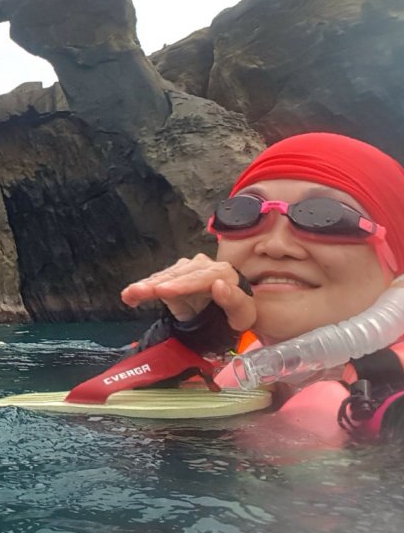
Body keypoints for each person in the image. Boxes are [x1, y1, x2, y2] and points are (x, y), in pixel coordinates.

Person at [119, 132, 404, 443]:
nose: (275, 245)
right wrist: (185, 340)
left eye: (326, 217)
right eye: (243, 213)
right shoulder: (228, 358)